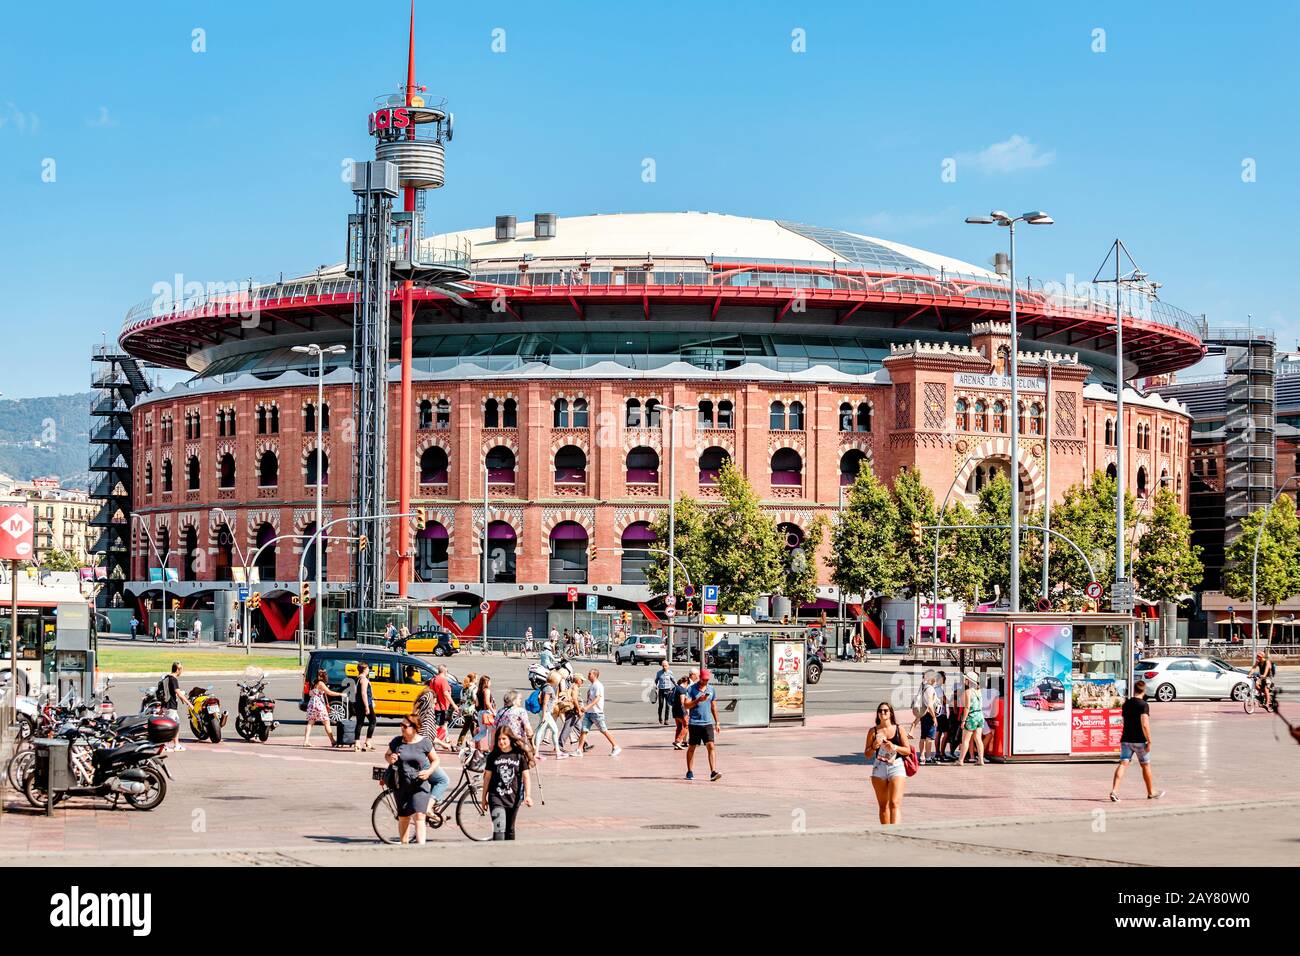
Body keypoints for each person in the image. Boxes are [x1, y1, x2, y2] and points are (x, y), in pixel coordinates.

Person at [384, 715, 437, 844]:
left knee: (419, 816)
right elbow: (387, 755)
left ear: (414, 728)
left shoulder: (424, 743)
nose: (402, 728)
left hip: (419, 784)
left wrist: (429, 771)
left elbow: (435, 760)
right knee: (403, 817)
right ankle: (404, 846)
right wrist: (390, 759)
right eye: (401, 725)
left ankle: (421, 847)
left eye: (405, 726)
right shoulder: (397, 742)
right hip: (401, 785)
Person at [1110, 679, 1164, 802]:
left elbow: (1124, 720)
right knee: (1145, 766)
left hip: (1126, 739)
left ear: (1134, 690)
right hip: (1140, 740)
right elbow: (1145, 723)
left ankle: (1114, 791)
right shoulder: (1144, 705)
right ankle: (1151, 792)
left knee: (1123, 764)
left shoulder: (1126, 704)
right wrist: (1149, 740)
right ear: (1144, 691)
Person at [865, 701, 911, 824]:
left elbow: (907, 750)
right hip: (879, 766)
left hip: (896, 765)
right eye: (880, 711)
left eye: (885, 710)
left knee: (894, 803)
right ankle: (886, 833)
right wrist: (874, 746)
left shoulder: (899, 729)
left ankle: (896, 832)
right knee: (883, 805)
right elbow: (867, 754)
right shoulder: (873, 731)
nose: (882, 713)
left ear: (890, 713)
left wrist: (894, 747)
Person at [482, 727, 533, 841]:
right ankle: (497, 854)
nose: (501, 742)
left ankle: (510, 854)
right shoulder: (492, 756)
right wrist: (483, 798)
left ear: (510, 739)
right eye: (499, 739)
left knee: (510, 829)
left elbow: (526, 776)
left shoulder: (519, 755)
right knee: (499, 829)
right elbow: (487, 778)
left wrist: (528, 795)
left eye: (504, 738)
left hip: (514, 798)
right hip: (496, 796)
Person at [682, 668, 721, 781]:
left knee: (711, 746)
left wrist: (717, 722)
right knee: (692, 747)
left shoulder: (711, 689)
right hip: (695, 723)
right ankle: (689, 771)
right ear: (700, 678)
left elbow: (713, 706)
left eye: (707, 679)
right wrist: (698, 700)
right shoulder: (691, 689)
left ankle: (713, 772)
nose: (706, 681)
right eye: (704, 679)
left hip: (707, 723)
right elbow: (686, 705)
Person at [576, 668, 621, 756]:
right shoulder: (592, 685)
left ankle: (616, 746)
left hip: (596, 713)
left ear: (595, 675)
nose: (588, 675)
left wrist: (587, 707)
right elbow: (590, 699)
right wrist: (585, 709)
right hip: (589, 713)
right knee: (584, 730)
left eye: (590, 674)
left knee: (604, 730)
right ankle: (579, 750)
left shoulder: (598, 685)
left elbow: (597, 699)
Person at [303, 668, 342, 748]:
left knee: (310, 722)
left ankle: (306, 741)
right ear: (324, 675)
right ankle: (333, 741)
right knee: (326, 722)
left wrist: (326, 703)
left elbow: (315, 694)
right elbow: (329, 693)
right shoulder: (321, 683)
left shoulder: (314, 682)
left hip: (312, 703)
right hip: (319, 704)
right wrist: (340, 694)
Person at [955, 672, 985, 766]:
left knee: (965, 740)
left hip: (971, 716)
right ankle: (981, 760)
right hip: (980, 715)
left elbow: (967, 707)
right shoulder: (979, 691)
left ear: (969, 681)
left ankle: (960, 760)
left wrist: (963, 720)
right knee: (978, 738)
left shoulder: (967, 692)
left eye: (966, 679)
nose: (964, 680)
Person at [160, 662, 192, 752]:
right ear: (178, 669)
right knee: (168, 727)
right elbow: (178, 692)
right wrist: (189, 703)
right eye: (181, 669)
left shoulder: (166, 678)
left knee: (176, 724)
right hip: (171, 706)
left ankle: (176, 745)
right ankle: (164, 746)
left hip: (166, 705)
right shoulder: (173, 679)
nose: (181, 671)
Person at [534, 672, 563, 759]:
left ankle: (558, 752)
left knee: (554, 730)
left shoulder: (545, 686)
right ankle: (536, 753)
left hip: (545, 712)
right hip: (546, 713)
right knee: (541, 731)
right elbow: (545, 703)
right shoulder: (549, 688)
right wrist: (543, 716)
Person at [913, 670, 939, 765]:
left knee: (923, 736)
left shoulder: (922, 686)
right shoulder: (930, 688)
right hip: (929, 714)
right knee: (929, 737)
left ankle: (922, 756)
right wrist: (934, 717)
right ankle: (928, 757)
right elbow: (930, 705)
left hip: (923, 713)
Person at [556, 674, 585, 753]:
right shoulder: (575, 687)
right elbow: (575, 699)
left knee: (580, 728)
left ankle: (584, 744)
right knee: (568, 728)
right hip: (573, 710)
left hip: (572, 710)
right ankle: (559, 745)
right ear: (577, 680)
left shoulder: (572, 686)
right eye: (581, 680)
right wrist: (579, 710)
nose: (582, 682)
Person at [352, 661, 376, 752]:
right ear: (364, 669)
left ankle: (357, 743)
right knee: (373, 721)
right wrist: (367, 706)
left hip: (358, 703)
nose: (369, 670)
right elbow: (363, 693)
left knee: (359, 723)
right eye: (368, 668)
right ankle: (368, 741)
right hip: (365, 703)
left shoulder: (357, 679)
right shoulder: (364, 680)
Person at [432, 664, 455, 750]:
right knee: (439, 726)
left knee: (444, 725)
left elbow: (432, 693)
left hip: (436, 706)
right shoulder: (443, 680)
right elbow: (446, 694)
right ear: (444, 671)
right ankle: (432, 741)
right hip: (442, 707)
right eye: (447, 671)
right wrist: (454, 705)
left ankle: (447, 742)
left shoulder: (433, 680)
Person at [472, 674, 496, 752]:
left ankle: (471, 741)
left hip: (480, 713)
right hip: (487, 713)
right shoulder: (487, 690)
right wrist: (493, 712)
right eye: (489, 681)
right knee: (491, 730)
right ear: (486, 682)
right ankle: (490, 748)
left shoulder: (478, 691)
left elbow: (477, 704)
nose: (490, 683)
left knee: (483, 732)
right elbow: (487, 703)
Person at [456, 672, 479, 748]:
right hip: (471, 710)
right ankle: (460, 744)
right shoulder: (474, 688)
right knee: (467, 728)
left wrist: (460, 711)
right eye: (476, 678)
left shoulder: (464, 688)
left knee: (472, 727)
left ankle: (475, 743)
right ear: (474, 679)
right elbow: (474, 699)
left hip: (465, 710)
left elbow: (461, 700)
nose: (477, 680)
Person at [670, 674, 691, 750]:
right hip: (681, 710)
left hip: (674, 709)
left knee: (679, 727)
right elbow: (682, 702)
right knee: (686, 726)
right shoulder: (682, 690)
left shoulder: (676, 688)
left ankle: (676, 744)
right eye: (688, 684)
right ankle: (678, 741)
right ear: (686, 682)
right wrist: (686, 710)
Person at [654, 659, 676, 725]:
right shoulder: (659, 673)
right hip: (661, 690)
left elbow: (673, 680)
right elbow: (656, 680)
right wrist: (655, 686)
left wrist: (677, 686)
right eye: (663, 666)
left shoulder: (670, 673)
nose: (664, 667)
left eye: (665, 666)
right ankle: (660, 718)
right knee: (661, 705)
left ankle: (666, 720)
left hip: (668, 690)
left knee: (668, 705)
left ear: (668, 666)